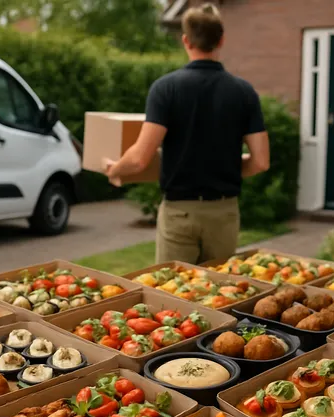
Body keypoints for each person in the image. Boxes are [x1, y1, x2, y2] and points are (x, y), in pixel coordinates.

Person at [104, 2, 269, 264]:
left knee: (173, 294)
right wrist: (221, 173)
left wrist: (114, 171)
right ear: (221, 40)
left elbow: (139, 158)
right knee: (220, 295)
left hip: (180, 213)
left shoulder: (165, 89)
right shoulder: (244, 92)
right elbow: (261, 162)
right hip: (224, 213)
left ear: (186, 41)